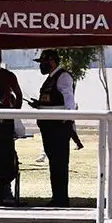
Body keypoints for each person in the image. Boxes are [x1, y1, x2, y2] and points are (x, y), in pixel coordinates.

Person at [28, 49, 75, 207]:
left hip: (58, 127)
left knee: (59, 164)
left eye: (43, 62)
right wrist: (39, 105)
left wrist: (67, 119)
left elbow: (68, 99)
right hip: (49, 127)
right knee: (54, 164)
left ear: (52, 62)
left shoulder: (63, 76)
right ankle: (57, 197)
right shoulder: (50, 78)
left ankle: (61, 199)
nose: (41, 66)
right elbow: (52, 100)